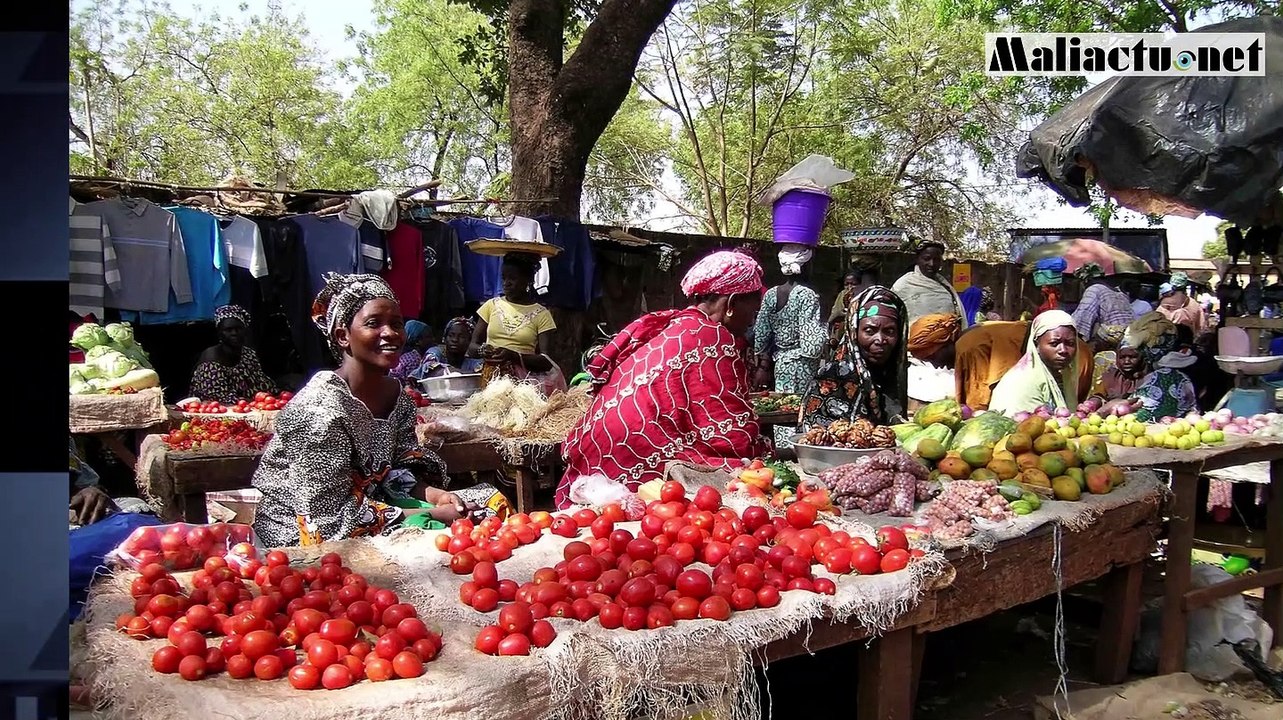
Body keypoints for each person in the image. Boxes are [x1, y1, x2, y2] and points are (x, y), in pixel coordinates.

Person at [253, 273, 504, 547]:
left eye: (397, 324)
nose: (391, 333)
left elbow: (398, 470)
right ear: (342, 336)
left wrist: (435, 495)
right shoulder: (317, 411)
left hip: (375, 503)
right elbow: (329, 517)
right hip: (310, 528)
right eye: (374, 323)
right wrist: (432, 513)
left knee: (490, 503)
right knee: (438, 535)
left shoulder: (398, 398)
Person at [556, 251, 769, 508]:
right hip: (631, 454)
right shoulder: (713, 339)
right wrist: (763, 451)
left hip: (596, 450)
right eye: (753, 311)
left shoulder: (675, 325)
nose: (752, 322)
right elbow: (730, 429)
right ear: (732, 304)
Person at [799, 286, 909, 427]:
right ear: (854, 332)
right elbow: (813, 439)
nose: (880, 340)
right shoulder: (832, 378)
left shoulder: (893, 378)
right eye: (870, 331)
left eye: (890, 331)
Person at [751, 243, 828, 445]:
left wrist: (763, 365)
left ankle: (784, 452)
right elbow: (812, 346)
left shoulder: (771, 294)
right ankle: (799, 451)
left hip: (781, 364)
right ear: (806, 264)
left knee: (782, 410)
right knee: (800, 411)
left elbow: (761, 334)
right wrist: (825, 331)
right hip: (802, 364)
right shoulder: (807, 295)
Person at [469, 252, 566, 396]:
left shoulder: (541, 314)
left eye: (512, 278)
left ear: (528, 280)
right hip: (490, 380)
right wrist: (485, 350)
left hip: (523, 387)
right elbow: (472, 348)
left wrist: (513, 356)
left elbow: (546, 361)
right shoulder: (491, 305)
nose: (506, 283)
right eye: (504, 278)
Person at [1100, 313, 1198, 422]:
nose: (1127, 361)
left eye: (1133, 356)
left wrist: (1102, 411)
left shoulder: (1166, 377)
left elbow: (1136, 417)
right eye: (1122, 357)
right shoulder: (1113, 375)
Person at [988, 310, 1081, 415]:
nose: (1063, 350)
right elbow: (1025, 426)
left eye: (1070, 343)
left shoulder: (1060, 376)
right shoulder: (1022, 382)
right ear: (1036, 344)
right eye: (1054, 343)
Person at [189, 305, 278, 403]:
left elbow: (263, 385)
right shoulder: (211, 359)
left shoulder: (249, 355)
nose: (234, 333)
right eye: (228, 330)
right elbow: (216, 398)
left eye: (238, 328)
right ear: (219, 333)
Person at [892, 239, 968, 330]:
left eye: (936, 260)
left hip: (948, 342)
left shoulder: (946, 287)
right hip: (913, 342)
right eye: (927, 259)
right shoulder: (903, 285)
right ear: (917, 259)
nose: (932, 264)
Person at [1071, 264, 1133, 350]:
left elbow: (1082, 318)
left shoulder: (1094, 289)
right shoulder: (1119, 292)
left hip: (1114, 337)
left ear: (1085, 281)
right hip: (1130, 335)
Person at [420, 317, 485, 377]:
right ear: (444, 338)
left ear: (469, 341)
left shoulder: (471, 363)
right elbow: (432, 369)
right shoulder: (434, 353)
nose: (455, 340)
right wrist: (469, 374)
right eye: (451, 335)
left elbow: (483, 372)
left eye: (461, 337)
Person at [1156, 273, 1206, 337]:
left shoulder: (1163, 305)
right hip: (1187, 342)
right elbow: (1201, 328)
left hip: (1165, 342)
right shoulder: (1195, 305)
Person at [390, 320, 433, 384]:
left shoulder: (404, 353)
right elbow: (412, 383)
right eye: (428, 337)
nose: (432, 339)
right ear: (417, 342)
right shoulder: (414, 359)